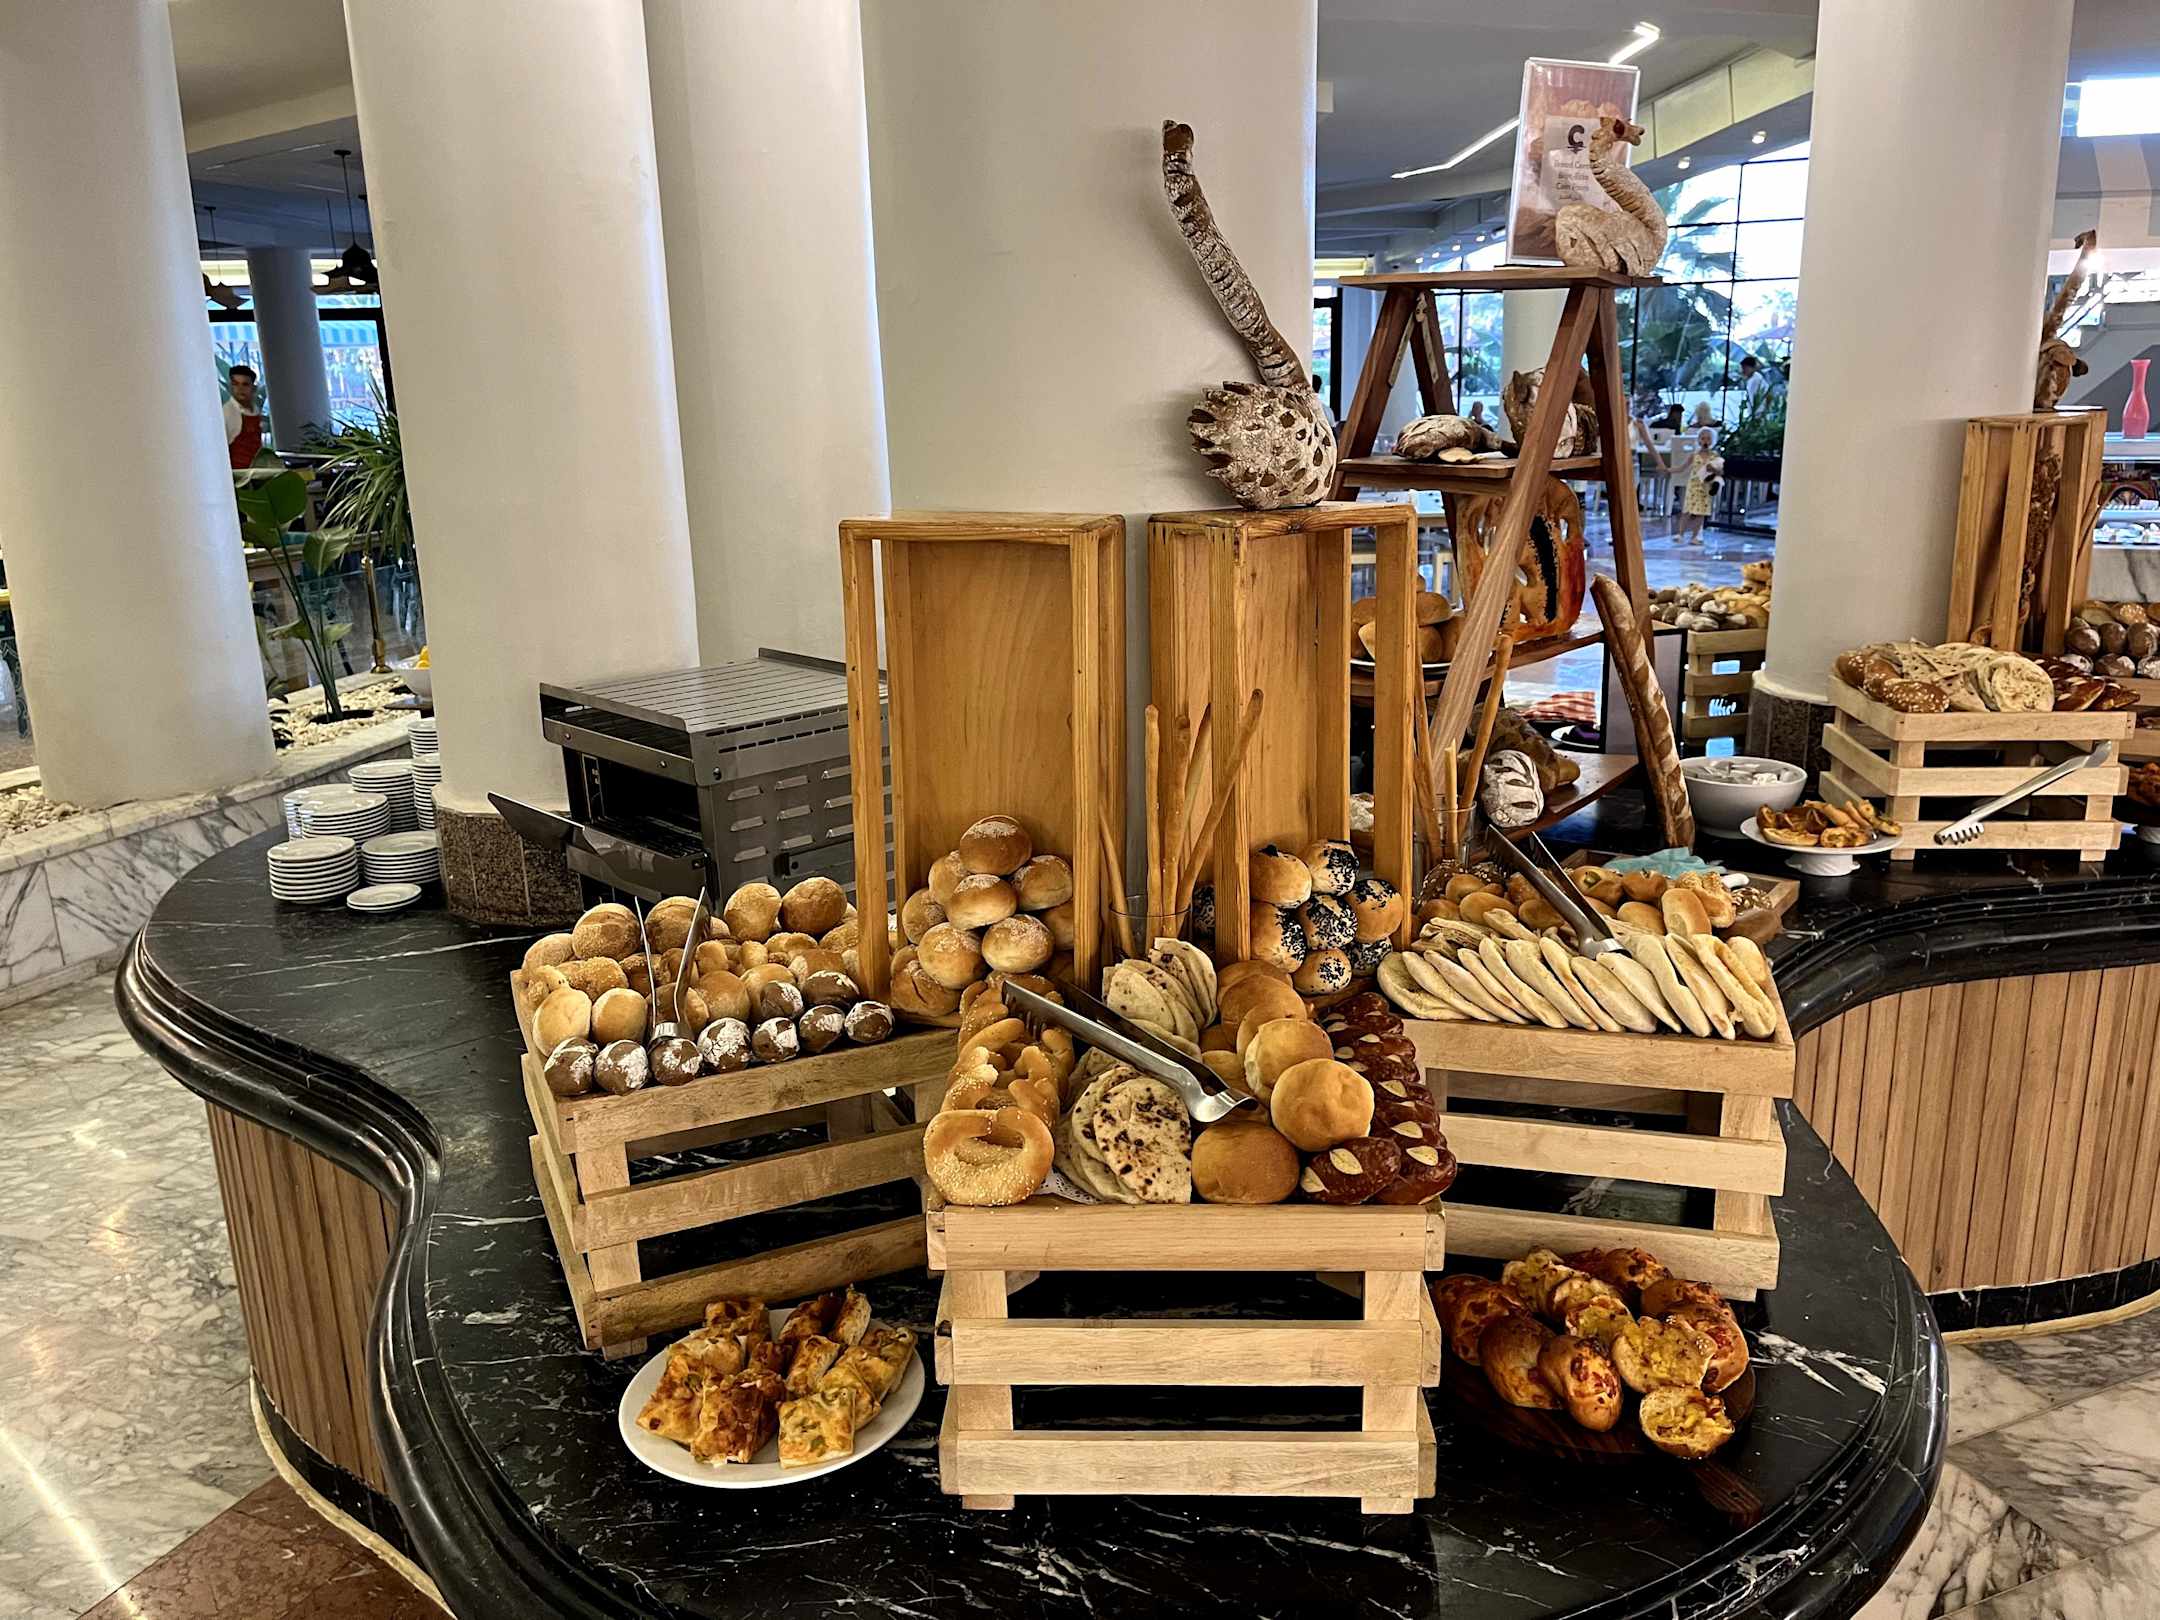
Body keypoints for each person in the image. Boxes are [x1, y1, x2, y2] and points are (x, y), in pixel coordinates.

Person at [1673, 426, 1722, 546]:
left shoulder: (1715, 456)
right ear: (1699, 440)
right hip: (1693, 486)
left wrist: (1714, 469)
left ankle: (1695, 536)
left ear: (1713, 441)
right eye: (1703, 438)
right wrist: (1669, 470)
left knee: (1700, 513)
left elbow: (1720, 471)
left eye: (1708, 439)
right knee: (1687, 510)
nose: (1705, 441)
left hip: (1705, 487)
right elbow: (1682, 467)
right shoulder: (1694, 455)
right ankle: (1680, 533)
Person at [224, 364, 263, 468]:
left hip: (256, 470)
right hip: (238, 473)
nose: (240, 389)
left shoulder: (255, 410)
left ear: (253, 388)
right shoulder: (227, 413)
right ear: (230, 386)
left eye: (245, 384)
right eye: (235, 384)